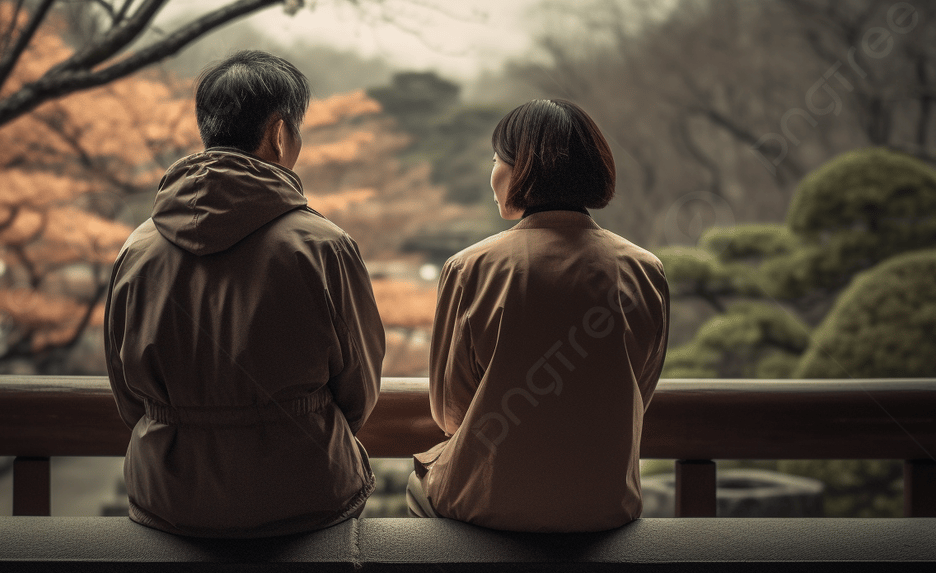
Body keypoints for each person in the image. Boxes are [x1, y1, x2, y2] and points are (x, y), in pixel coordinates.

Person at [104, 50, 385, 538]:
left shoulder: (138, 248)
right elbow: (358, 387)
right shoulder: (324, 247)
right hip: (304, 492)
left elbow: (128, 392)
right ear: (279, 134)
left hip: (170, 497)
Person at [407, 99, 670, 532]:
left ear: (522, 168)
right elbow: (637, 391)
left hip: (491, 504)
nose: (491, 175)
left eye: (496, 160)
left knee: (420, 488)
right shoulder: (644, 270)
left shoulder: (470, 267)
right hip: (605, 505)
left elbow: (450, 414)